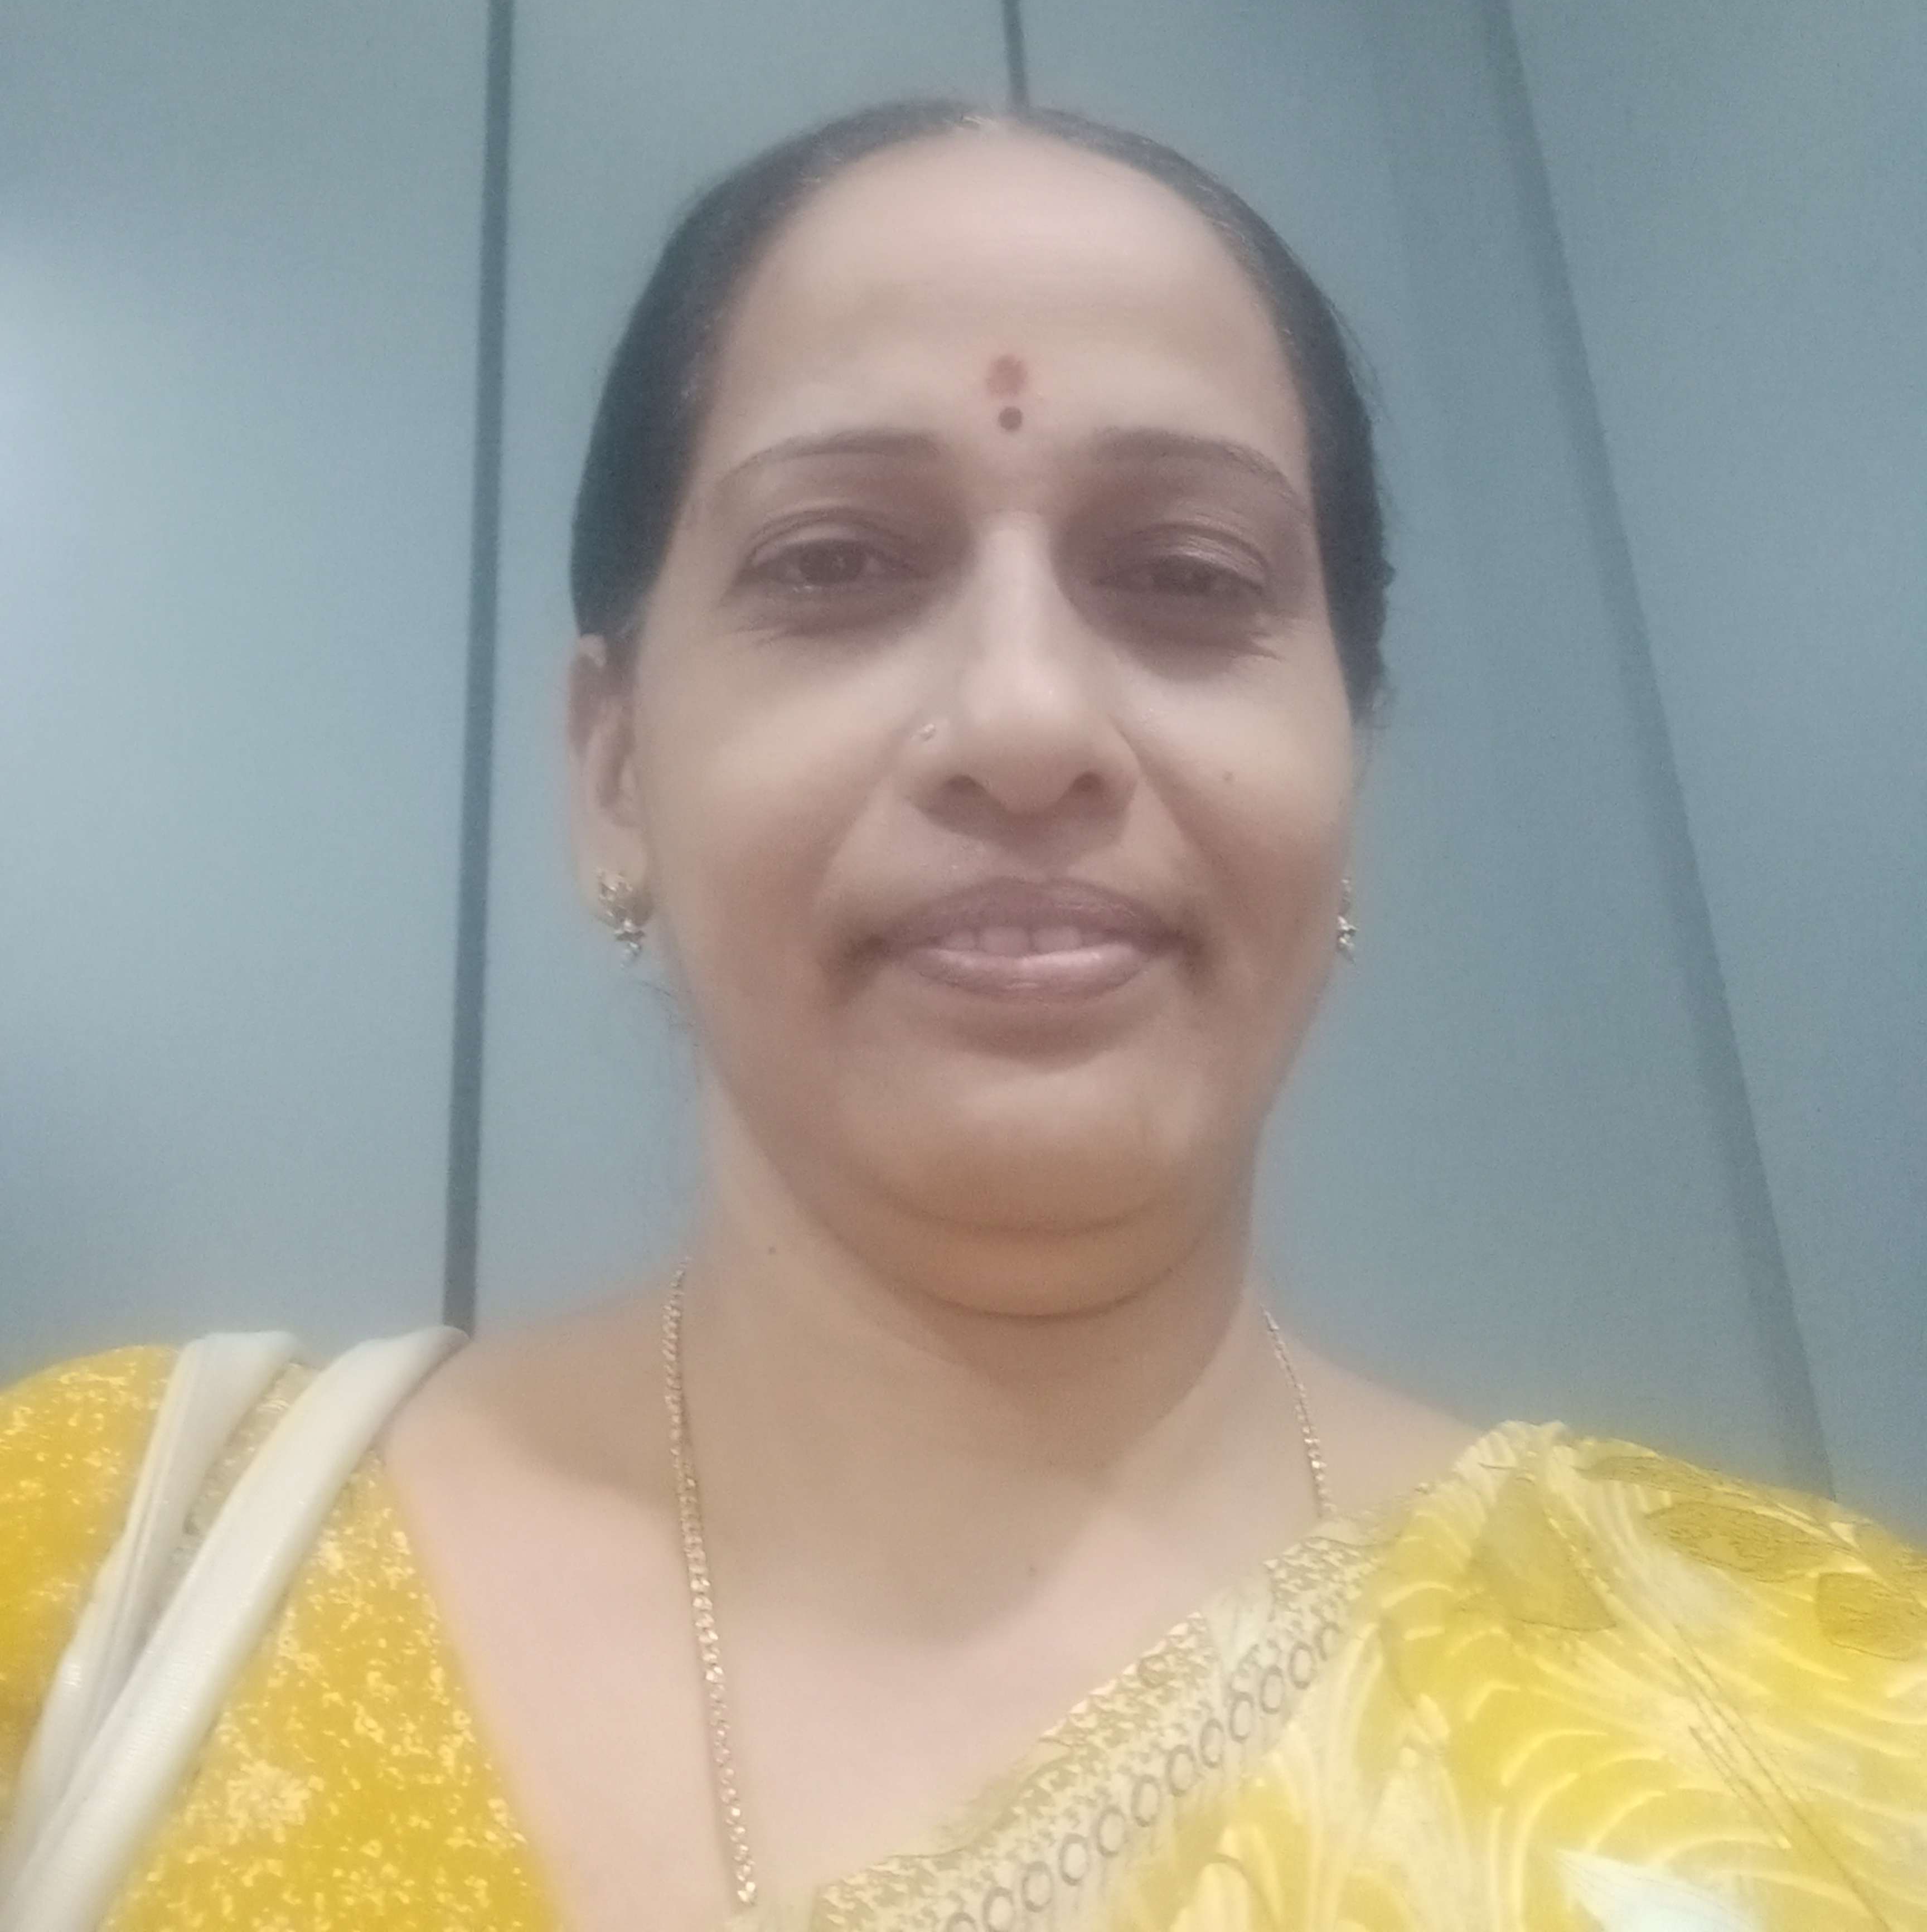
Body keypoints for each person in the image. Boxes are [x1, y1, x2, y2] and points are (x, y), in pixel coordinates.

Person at [2, 103, 1921, 1932]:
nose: (1025, 723)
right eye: (836, 564)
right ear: (614, 772)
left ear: (1347, 765)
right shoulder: (100, 1574)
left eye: (1188, 577)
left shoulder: (1808, 1716)